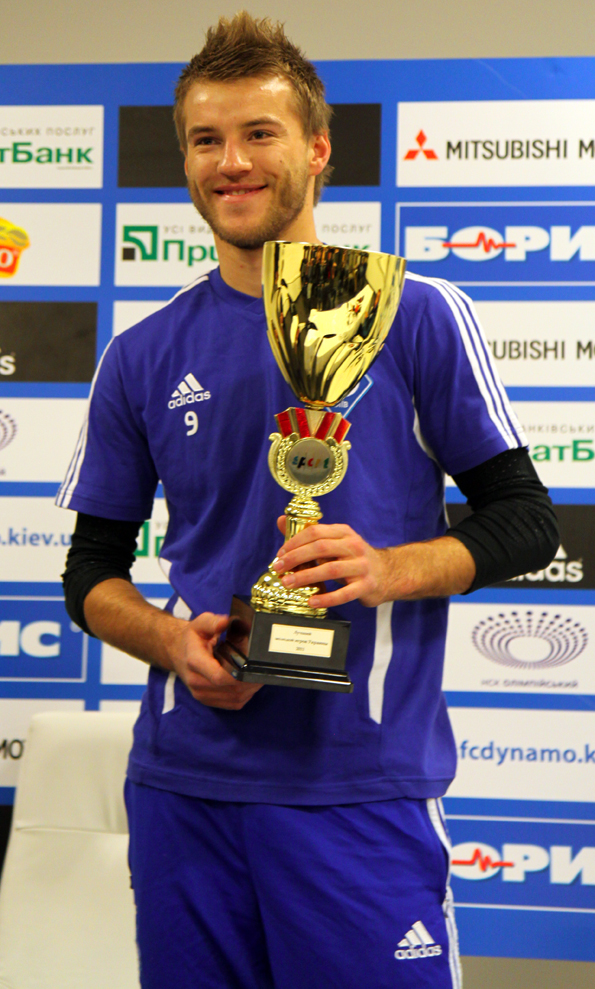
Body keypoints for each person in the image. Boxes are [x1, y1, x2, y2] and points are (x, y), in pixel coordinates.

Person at [58, 13, 558, 989]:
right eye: (206, 139)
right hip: (184, 790)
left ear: (318, 149)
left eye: (260, 133)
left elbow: (525, 520)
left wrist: (384, 569)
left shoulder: (416, 313)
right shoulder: (142, 352)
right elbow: (90, 571)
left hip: (357, 789)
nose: (231, 162)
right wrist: (169, 639)